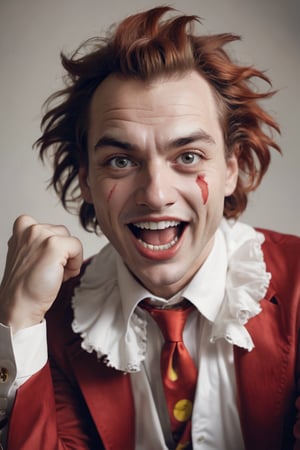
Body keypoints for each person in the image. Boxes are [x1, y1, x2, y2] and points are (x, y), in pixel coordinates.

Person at [0, 5, 299, 450]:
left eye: (188, 156)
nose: (156, 194)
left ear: (231, 169)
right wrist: (17, 320)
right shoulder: (54, 321)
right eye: (121, 161)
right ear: (86, 179)